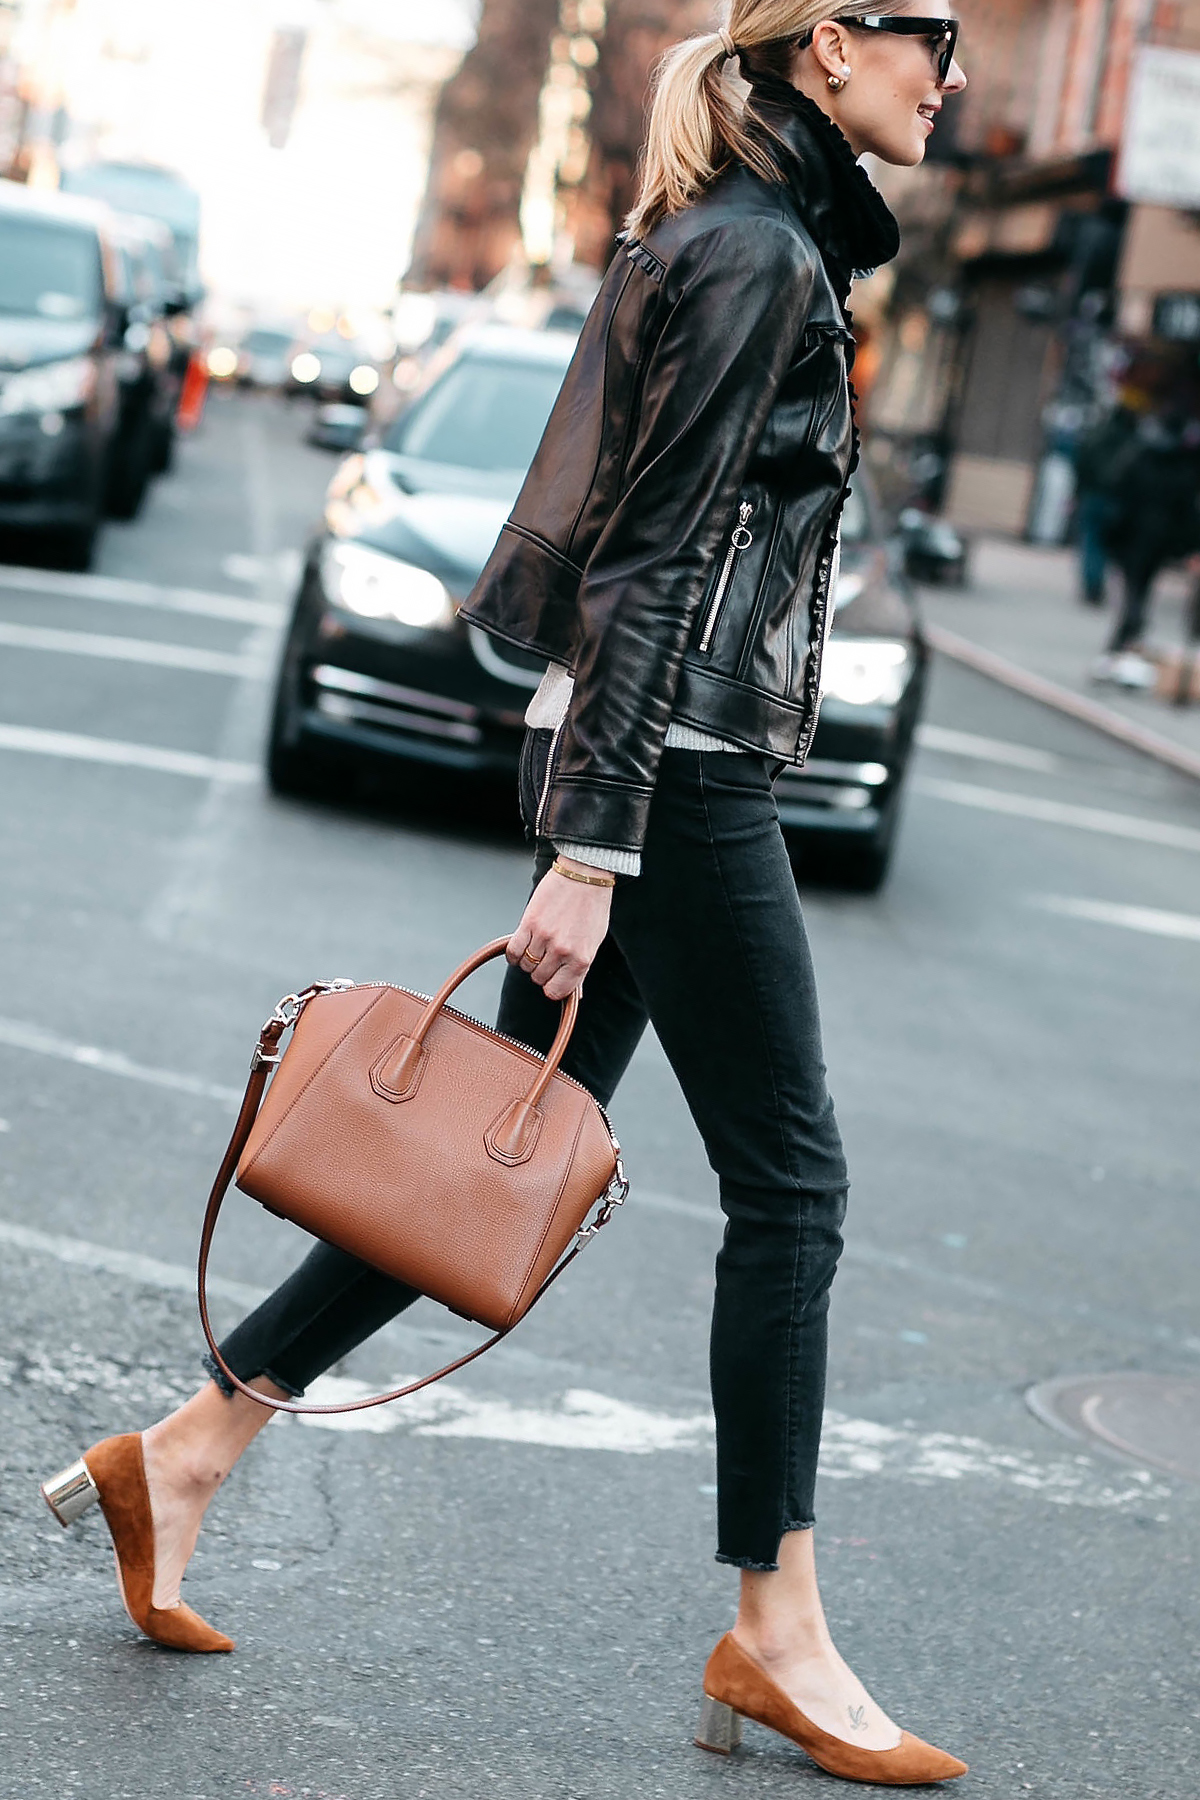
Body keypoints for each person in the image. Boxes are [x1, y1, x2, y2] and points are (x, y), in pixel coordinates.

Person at [41, 5, 969, 1785]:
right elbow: (653, 560)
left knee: (478, 1149)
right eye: (927, 33)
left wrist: (590, 825)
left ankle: (187, 1452)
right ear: (824, 47)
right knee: (794, 1186)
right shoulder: (761, 253)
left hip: (644, 766)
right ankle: (776, 1627)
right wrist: (600, 849)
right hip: (673, 778)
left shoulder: (735, 233)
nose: (949, 72)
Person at [1092, 408, 1200, 688]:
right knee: (1141, 585)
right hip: (1160, 539)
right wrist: (1186, 544)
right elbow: (1187, 510)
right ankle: (1131, 632)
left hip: (1134, 534)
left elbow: (1118, 487)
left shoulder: (1143, 456)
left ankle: (1128, 631)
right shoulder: (1183, 464)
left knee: (1133, 586)